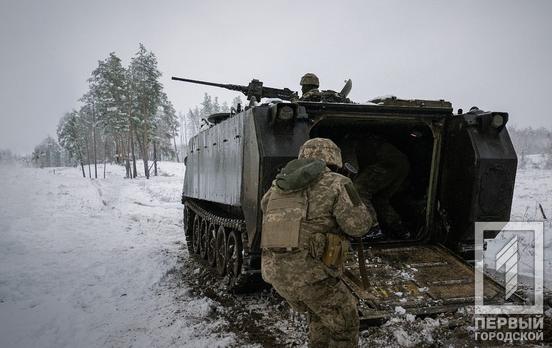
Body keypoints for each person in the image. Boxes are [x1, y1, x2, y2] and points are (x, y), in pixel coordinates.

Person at [260, 138, 374, 348]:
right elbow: (358, 226)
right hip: (312, 277)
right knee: (345, 325)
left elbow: (265, 209)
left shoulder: (277, 186)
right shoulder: (339, 183)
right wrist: (360, 202)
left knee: (321, 318)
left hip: (276, 273)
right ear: (333, 159)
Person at [342, 134, 410, 239]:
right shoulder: (362, 142)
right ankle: (399, 229)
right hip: (401, 162)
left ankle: (373, 229)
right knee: (380, 199)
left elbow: (352, 169)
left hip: (386, 162)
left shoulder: (347, 144)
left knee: (357, 190)